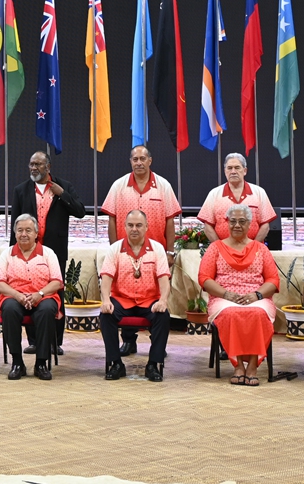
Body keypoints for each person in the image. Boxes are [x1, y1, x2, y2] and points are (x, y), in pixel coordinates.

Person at [101, 145, 181, 356]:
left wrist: (170, 252)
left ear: (150, 161)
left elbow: (170, 220)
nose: (139, 162)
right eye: (135, 159)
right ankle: (129, 341)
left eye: (142, 158)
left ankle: (157, 343)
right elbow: (112, 219)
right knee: (125, 294)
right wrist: (113, 250)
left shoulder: (163, 186)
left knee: (156, 298)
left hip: (156, 256)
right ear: (130, 162)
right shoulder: (119, 186)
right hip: (125, 254)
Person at [9, 151, 85, 355]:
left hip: (55, 251)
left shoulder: (63, 187)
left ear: (48, 167)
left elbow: (80, 211)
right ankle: (33, 340)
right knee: (28, 290)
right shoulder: (21, 190)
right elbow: (14, 224)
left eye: (38, 164)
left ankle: (55, 341)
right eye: (31, 164)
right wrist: (12, 252)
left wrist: (62, 195)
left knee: (55, 293)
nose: (34, 168)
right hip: (27, 251)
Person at [198, 204, 279, 386]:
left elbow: (273, 280)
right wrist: (227, 294)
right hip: (224, 297)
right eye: (233, 221)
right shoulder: (215, 248)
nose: (237, 225)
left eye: (242, 221)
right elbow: (204, 279)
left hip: (256, 297)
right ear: (226, 223)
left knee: (258, 313)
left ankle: (252, 365)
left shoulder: (261, 248)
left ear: (250, 224)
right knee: (231, 313)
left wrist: (256, 295)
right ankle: (238, 365)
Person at [98, 211, 171, 382]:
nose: (134, 229)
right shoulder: (115, 248)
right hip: (122, 300)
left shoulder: (157, 248)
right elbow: (106, 277)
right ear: (124, 227)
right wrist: (106, 300)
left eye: (139, 225)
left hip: (148, 301)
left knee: (163, 316)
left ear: (146, 227)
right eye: (130, 225)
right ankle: (115, 363)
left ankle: (153, 364)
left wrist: (163, 300)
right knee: (105, 315)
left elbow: (164, 278)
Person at [0, 214, 63, 381]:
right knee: (9, 309)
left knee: (46, 311)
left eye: (28, 230)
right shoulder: (7, 254)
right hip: (14, 297)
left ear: (36, 233)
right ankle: (17, 362)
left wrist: (39, 294)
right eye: (20, 230)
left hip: (43, 297)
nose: (23, 234)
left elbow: (57, 282)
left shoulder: (47, 253)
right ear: (15, 233)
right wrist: (17, 295)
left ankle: (41, 363)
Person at [199, 153, 276, 243]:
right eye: (229, 168)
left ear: (245, 171)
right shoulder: (214, 194)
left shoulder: (259, 192)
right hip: (222, 252)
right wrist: (220, 248)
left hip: (254, 251)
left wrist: (253, 247)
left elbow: (265, 225)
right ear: (225, 171)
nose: (233, 171)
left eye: (237, 167)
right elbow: (207, 226)